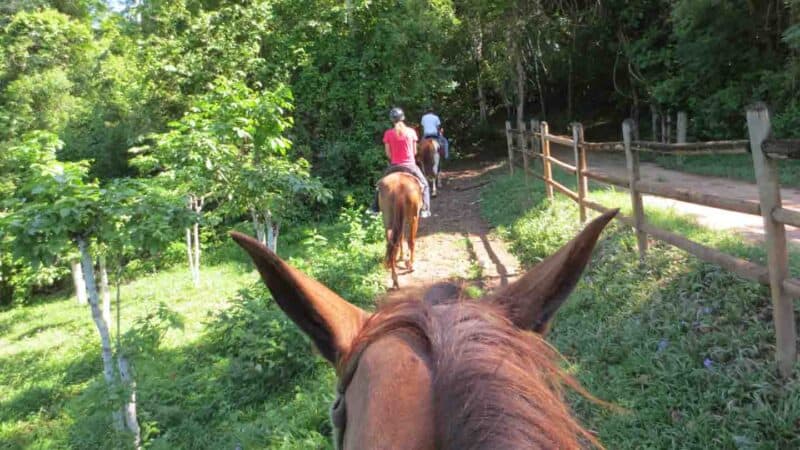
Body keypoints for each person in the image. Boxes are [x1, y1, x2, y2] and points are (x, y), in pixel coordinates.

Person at [370, 107, 431, 218]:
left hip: (394, 166)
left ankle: (374, 209)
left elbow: (388, 154)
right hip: (410, 166)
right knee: (425, 185)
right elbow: (414, 151)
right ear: (403, 118)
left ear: (391, 120)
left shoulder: (388, 133)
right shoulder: (411, 132)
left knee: (379, 186)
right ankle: (425, 209)